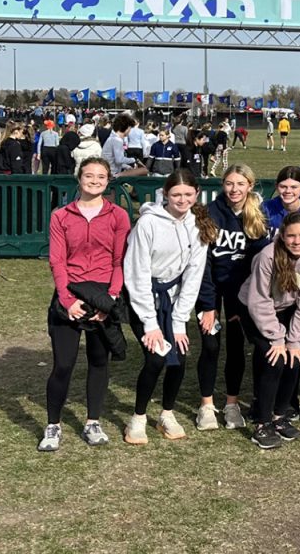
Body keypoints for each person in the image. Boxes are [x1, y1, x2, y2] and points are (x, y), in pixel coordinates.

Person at [38, 157, 131, 452]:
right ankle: (53, 425)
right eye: (89, 175)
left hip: (103, 294)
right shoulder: (61, 216)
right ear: (79, 178)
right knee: (63, 364)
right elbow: (57, 261)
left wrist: (111, 299)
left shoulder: (118, 216)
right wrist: (67, 301)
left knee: (99, 361)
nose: (94, 180)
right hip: (70, 294)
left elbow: (119, 261)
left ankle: (93, 421)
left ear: (108, 180)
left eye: (101, 176)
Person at [122, 170, 214, 444]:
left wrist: (178, 323)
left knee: (180, 356)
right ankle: (137, 418)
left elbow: (193, 276)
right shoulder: (148, 224)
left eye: (188, 194)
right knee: (156, 358)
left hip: (174, 300)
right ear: (165, 194)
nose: (182, 200)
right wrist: (151, 324)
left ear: (196, 194)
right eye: (176, 194)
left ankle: (167, 413)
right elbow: (136, 273)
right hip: (145, 298)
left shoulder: (198, 225)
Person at [238, 212, 300, 449]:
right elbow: (259, 301)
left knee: (293, 360)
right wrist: (277, 337)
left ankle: (279, 415)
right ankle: (262, 423)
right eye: (291, 236)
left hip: (287, 308)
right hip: (255, 308)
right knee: (274, 360)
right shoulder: (267, 256)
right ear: (282, 236)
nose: (297, 241)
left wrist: (294, 340)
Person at [195, 164, 270, 431]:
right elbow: (201, 263)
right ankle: (206, 406)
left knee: (237, 346)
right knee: (210, 345)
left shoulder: (258, 216)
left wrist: (243, 302)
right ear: (222, 185)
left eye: (240, 184)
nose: (234, 189)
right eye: (229, 183)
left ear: (250, 185)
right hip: (211, 288)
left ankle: (232, 404)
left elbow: (261, 264)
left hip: (241, 292)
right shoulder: (209, 213)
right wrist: (207, 305)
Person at [261, 165, 300, 233]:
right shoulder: (266, 208)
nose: (288, 191)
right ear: (276, 187)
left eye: (294, 187)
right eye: (283, 187)